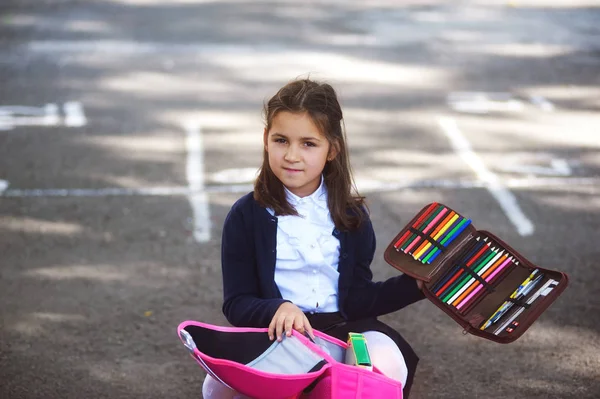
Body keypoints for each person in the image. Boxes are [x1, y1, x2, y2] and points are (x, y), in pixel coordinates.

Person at [203, 78, 425, 399]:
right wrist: (277, 308)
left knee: (383, 366)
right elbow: (236, 303)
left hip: (346, 331)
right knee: (217, 387)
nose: (292, 155)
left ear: (332, 149)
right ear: (266, 140)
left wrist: (414, 286)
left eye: (308, 144)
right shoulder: (246, 216)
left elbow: (360, 299)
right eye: (281, 140)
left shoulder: (352, 217)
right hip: (279, 335)